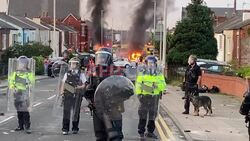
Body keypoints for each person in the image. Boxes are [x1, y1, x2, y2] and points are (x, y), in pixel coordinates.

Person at [94, 75, 134, 141]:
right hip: (106, 116)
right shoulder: (106, 91)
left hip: (113, 116)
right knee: (103, 136)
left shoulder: (115, 88)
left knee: (116, 136)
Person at [135, 55, 166, 139]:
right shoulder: (142, 72)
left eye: (153, 63)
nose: (151, 65)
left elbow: (163, 85)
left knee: (153, 115)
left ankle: (150, 132)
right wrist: (139, 95)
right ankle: (141, 132)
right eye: (149, 63)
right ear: (146, 64)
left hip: (154, 97)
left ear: (156, 64)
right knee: (143, 115)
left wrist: (157, 85)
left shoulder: (159, 73)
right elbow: (138, 85)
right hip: (144, 97)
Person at [60, 57, 87, 135]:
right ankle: (65, 128)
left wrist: (79, 87)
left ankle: (75, 128)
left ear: (77, 64)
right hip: (68, 93)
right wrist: (61, 92)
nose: (73, 65)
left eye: (74, 63)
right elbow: (63, 83)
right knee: (66, 112)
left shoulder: (80, 73)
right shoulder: (67, 73)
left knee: (76, 112)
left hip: (77, 94)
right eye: (72, 63)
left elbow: (84, 84)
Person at [8, 56, 35, 134]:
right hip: (17, 93)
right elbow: (11, 82)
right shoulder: (15, 73)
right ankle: (20, 126)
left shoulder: (29, 73)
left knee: (25, 111)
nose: (21, 65)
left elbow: (32, 82)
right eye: (20, 63)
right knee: (19, 111)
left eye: (23, 64)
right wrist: (13, 88)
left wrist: (27, 84)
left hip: (25, 93)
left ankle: (27, 127)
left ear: (26, 64)